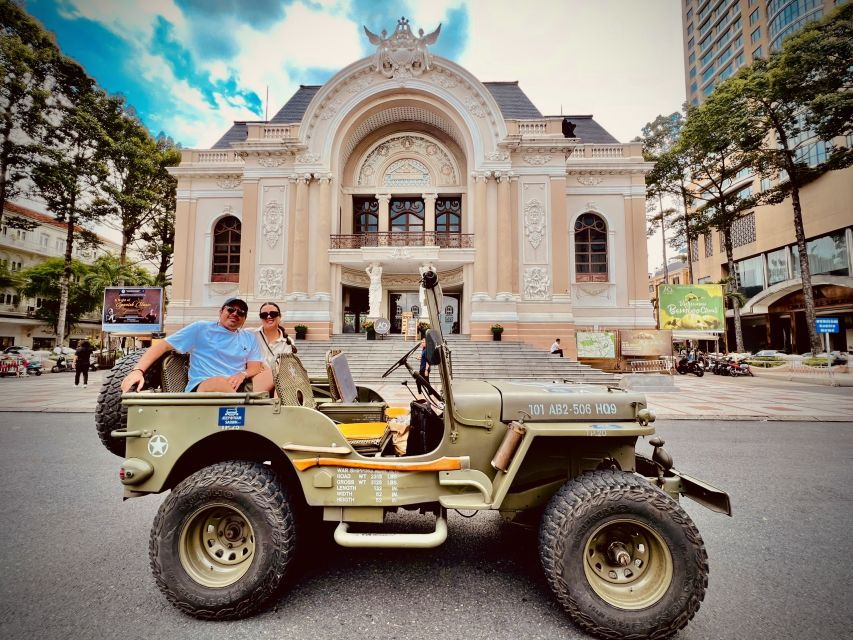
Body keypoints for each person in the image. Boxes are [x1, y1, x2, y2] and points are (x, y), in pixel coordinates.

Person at [120, 298, 270, 394]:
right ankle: (245, 419)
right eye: (231, 309)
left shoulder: (249, 337)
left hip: (240, 385)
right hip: (205, 385)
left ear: (244, 319)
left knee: (276, 374)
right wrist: (137, 370)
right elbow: (163, 346)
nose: (235, 313)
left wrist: (242, 374)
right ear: (221, 312)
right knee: (219, 383)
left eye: (241, 312)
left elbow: (254, 368)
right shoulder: (201, 328)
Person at [253, 301, 297, 373]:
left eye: (273, 314)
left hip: (278, 383)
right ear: (261, 318)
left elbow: (287, 368)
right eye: (264, 315)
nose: (269, 317)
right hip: (254, 382)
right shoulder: (251, 336)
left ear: (280, 316)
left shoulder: (288, 341)